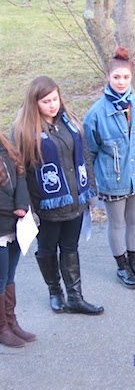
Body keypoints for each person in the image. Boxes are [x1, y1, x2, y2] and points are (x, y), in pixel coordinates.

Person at [14, 76, 103, 315]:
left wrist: (90, 190)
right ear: (35, 103)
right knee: (47, 249)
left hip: (74, 198)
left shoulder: (70, 122)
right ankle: (55, 292)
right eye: (46, 101)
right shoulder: (24, 131)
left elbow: (84, 157)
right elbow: (21, 171)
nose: (53, 105)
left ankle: (75, 297)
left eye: (55, 99)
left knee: (70, 247)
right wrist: (28, 206)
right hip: (46, 204)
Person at [83, 48, 135, 289]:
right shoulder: (96, 114)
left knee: (134, 220)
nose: (121, 82)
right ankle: (122, 266)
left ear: (131, 77)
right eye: (116, 78)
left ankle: (134, 262)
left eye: (126, 77)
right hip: (112, 179)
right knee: (117, 222)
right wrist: (91, 186)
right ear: (108, 77)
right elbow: (89, 152)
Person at [0, 132, 34, 347]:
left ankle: (12, 322)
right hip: (2, 227)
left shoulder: (5, 145)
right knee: (0, 279)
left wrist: (21, 205)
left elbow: (20, 174)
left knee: (10, 276)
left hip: (15, 226)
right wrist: (12, 210)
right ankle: (2, 327)